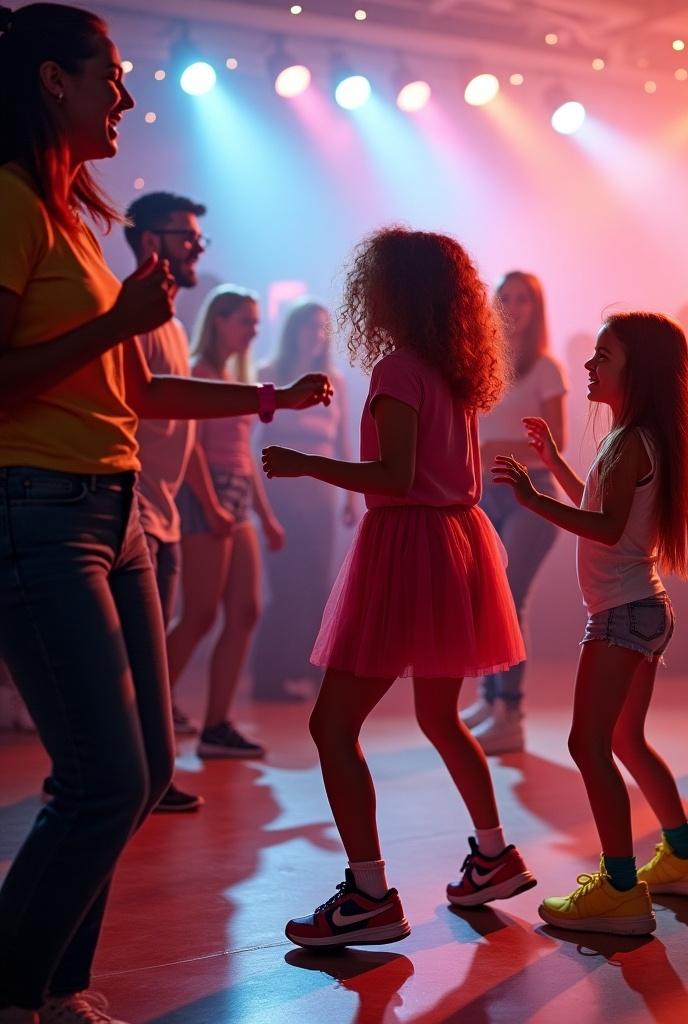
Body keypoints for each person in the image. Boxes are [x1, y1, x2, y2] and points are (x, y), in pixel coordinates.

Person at [0, 6, 330, 1021]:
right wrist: (115, 319)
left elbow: (139, 391)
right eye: (111, 75)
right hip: (40, 508)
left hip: (116, 509)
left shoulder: (73, 219)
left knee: (140, 775)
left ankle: (54, 987)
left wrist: (269, 398)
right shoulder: (9, 201)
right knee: (101, 778)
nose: (127, 96)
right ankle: (14, 990)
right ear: (53, 80)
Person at [261, 227, 536, 948]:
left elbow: (394, 478)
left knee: (332, 725)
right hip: (459, 541)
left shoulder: (397, 370)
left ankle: (369, 893)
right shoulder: (455, 370)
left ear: (390, 293)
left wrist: (304, 463)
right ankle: (493, 854)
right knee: (441, 717)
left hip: (409, 545)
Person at [492, 312, 688, 936]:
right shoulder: (631, 440)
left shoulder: (629, 443)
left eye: (604, 357)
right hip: (642, 608)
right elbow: (597, 505)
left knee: (586, 745)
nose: (590, 367)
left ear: (636, 371)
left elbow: (606, 528)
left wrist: (533, 500)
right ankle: (681, 855)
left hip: (622, 614)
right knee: (625, 742)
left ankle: (621, 890)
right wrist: (551, 464)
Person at [164, 286, 287, 758]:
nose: (254, 330)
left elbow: (244, 457)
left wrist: (265, 515)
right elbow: (190, 446)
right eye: (245, 320)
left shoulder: (238, 377)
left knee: (246, 610)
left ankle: (217, 726)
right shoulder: (197, 372)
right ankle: (146, 717)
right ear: (219, 320)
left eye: (256, 322)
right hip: (204, 493)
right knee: (198, 615)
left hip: (234, 495)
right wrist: (211, 502)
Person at [123, 190, 209, 812]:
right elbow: (148, 401)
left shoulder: (174, 324)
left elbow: (183, 422)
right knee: (129, 665)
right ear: (149, 240)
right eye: (185, 236)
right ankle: (118, 778)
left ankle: (150, 777)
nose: (196, 246)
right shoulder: (131, 315)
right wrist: (269, 398)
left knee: (148, 663)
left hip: (165, 513)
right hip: (131, 514)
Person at [460, 271, 568, 754]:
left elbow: (555, 442)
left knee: (511, 599)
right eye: (506, 298)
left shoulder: (546, 367)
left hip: (532, 494)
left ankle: (512, 713)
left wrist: (498, 447)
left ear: (536, 308)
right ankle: (490, 698)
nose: (514, 307)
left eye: (524, 299)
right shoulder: (480, 362)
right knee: (487, 601)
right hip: (485, 493)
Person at [251, 299, 358, 702]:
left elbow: (343, 441)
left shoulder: (335, 381)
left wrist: (350, 497)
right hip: (281, 494)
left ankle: (313, 673)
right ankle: (268, 676)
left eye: (322, 327)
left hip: (320, 494)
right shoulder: (268, 374)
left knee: (317, 584)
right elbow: (256, 441)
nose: (315, 334)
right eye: (308, 326)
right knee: (284, 583)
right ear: (292, 330)